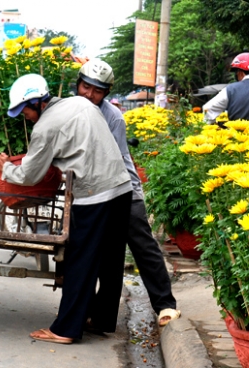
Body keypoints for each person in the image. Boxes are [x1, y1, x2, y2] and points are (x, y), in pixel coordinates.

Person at [0, 73, 132, 344]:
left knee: (79, 261)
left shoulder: (45, 128)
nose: (26, 117)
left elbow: (29, 176)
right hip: (121, 188)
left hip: (95, 195)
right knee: (110, 260)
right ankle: (100, 319)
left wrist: (4, 168)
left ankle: (65, 330)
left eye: (26, 111)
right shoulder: (81, 104)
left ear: (39, 103)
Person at [76, 59, 180, 327]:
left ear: (106, 93)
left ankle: (165, 305)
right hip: (92, 189)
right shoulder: (72, 108)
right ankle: (97, 316)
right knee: (97, 252)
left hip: (123, 188)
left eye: (97, 90)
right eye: (85, 87)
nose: (89, 94)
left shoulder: (113, 118)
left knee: (142, 245)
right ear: (78, 84)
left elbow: (109, 159)